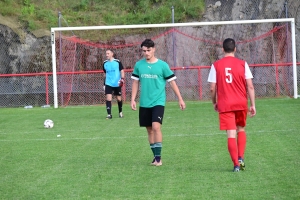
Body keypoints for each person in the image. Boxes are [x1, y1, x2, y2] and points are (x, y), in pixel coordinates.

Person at [131, 39, 186, 166]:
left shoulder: (162, 65)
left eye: (148, 50)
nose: (146, 53)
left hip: (158, 102)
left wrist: (180, 98)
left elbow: (172, 82)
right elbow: (135, 82)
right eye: (144, 51)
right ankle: (155, 156)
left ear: (154, 49)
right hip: (144, 103)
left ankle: (158, 158)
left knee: (156, 127)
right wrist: (133, 99)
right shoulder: (139, 65)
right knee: (149, 130)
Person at [207, 38, 256, 172]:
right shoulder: (243, 64)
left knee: (231, 134)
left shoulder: (216, 65)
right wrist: (253, 105)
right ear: (235, 49)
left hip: (225, 104)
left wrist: (214, 102)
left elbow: (212, 88)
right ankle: (241, 158)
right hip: (241, 103)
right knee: (241, 129)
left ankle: (236, 165)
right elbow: (250, 86)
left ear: (222, 49)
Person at [103, 49, 125, 119]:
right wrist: (104, 84)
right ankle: (109, 114)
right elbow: (105, 74)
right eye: (106, 54)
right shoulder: (105, 63)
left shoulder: (117, 62)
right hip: (108, 83)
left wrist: (122, 79)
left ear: (112, 54)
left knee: (119, 99)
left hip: (117, 83)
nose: (107, 55)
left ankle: (120, 112)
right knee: (108, 98)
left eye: (108, 53)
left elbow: (122, 71)